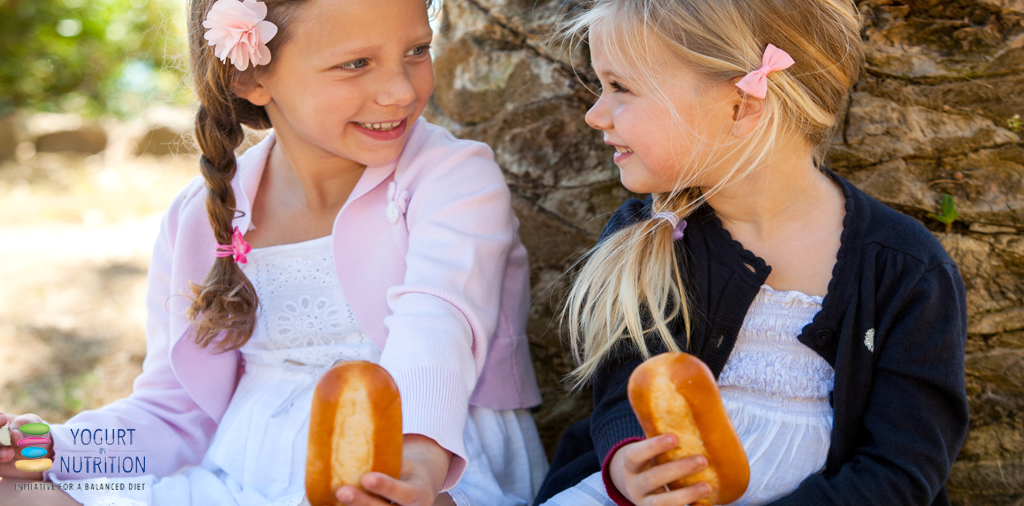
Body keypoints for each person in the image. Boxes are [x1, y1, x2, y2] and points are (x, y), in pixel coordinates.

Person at [0, 0, 547, 504]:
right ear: (250, 76)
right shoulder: (203, 215)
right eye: (356, 63)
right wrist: (44, 448)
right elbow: (175, 411)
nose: (401, 90)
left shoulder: (453, 177)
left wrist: (415, 458)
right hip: (239, 474)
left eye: (416, 51)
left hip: (427, 464)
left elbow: (438, 322)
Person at [533, 0, 969, 505]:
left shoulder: (906, 269)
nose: (595, 114)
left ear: (743, 107)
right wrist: (631, 462)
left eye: (620, 88)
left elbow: (902, 466)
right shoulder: (647, 235)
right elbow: (624, 390)